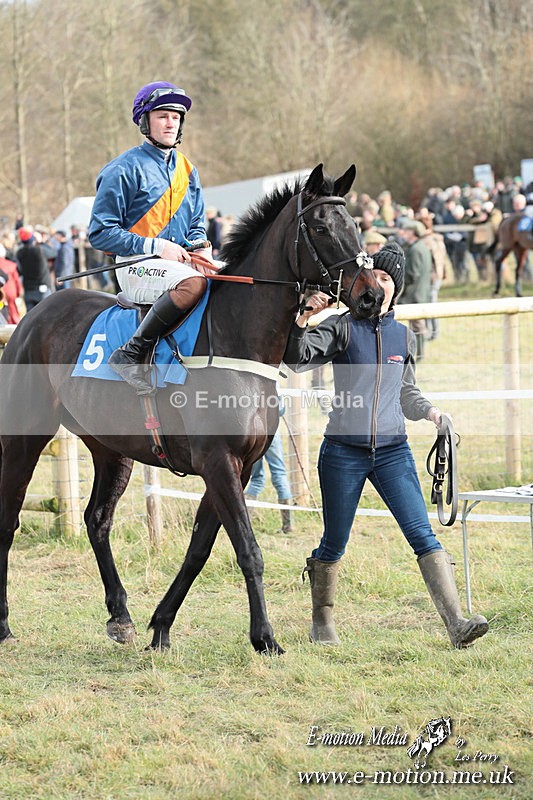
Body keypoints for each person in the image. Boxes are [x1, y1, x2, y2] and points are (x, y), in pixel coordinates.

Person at [283, 241, 488, 650]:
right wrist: (306, 313)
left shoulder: (402, 336)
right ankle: (322, 620)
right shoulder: (341, 327)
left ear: (397, 289)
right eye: (372, 275)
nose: (375, 283)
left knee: (423, 535)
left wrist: (432, 413)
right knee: (334, 542)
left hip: (394, 452)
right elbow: (296, 356)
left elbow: (407, 393)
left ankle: (456, 625)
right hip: (343, 452)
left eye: (385, 278)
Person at [88, 80, 214, 393]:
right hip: (136, 264)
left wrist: (202, 251)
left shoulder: (187, 169)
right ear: (146, 121)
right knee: (193, 284)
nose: (171, 122)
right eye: (163, 115)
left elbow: (196, 223)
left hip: (180, 263)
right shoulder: (122, 169)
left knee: (235, 279)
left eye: (176, 116)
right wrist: (154, 245)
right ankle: (130, 354)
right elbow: (100, 232)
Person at [245, 428, 294, 533]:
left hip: (253, 432)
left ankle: (245, 525)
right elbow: (280, 411)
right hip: (271, 432)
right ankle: (288, 525)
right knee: (279, 474)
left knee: (256, 479)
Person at [397, 220, 432, 360]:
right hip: (419, 292)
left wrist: (400, 283)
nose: (404, 233)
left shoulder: (416, 249)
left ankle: (420, 354)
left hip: (415, 293)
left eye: (407, 231)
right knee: (417, 325)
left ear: (413, 232)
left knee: (417, 325)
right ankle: (417, 353)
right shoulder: (420, 247)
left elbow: (412, 274)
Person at [15, 227, 52, 311]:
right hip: (42, 288)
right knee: (47, 316)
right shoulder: (39, 250)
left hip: (28, 289)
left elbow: (19, 270)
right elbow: (53, 252)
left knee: (31, 319)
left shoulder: (19, 253)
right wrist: (42, 241)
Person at [0, 244, 23, 324]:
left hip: (2, 292)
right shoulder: (10, 264)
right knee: (13, 312)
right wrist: (19, 292)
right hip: (11, 291)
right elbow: (16, 280)